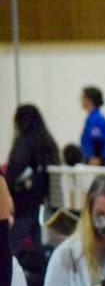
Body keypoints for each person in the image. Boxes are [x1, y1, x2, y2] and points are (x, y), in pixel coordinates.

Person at [6, 104, 60, 258]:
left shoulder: (23, 145)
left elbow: (14, 172)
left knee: (14, 243)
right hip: (43, 202)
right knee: (38, 242)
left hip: (22, 203)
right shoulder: (47, 143)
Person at [79, 86, 105, 166]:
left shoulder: (96, 119)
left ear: (89, 100)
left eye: (82, 97)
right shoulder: (92, 118)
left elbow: (98, 140)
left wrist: (95, 158)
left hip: (97, 162)